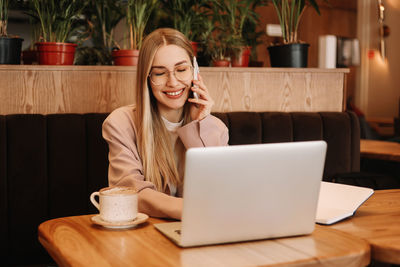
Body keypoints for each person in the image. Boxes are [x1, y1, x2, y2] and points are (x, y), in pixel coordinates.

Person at [102, 28, 229, 220]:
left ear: (195, 71)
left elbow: (221, 192)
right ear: (147, 79)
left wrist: (200, 126)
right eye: (160, 73)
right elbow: (129, 193)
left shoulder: (216, 128)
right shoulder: (120, 123)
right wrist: (193, 210)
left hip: (200, 232)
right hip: (146, 237)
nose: (173, 82)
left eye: (181, 70)